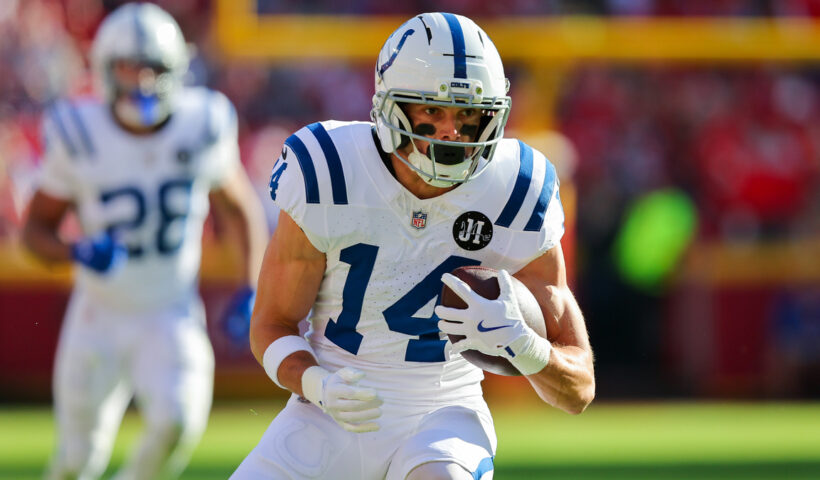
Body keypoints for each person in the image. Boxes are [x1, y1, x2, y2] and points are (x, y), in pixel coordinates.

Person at [232, 12, 595, 480]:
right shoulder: (329, 169)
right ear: (391, 109)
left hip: (441, 416)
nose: (450, 134)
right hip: (328, 411)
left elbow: (578, 386)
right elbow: (271, 324)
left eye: (468, 115)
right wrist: (316, 383)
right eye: (432, 111)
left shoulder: (517, 188)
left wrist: (523, 346)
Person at [21, 3, 268, 480]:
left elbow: (238, 209)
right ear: (104, 71)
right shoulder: (78, 131)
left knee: (177, 423)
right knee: (77, 460)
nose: (143, 81)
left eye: (154, 68)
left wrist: (249, 285)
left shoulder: (203, 121)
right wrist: (76, 251)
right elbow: (34, 231)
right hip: (98, 313)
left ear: (177, 70)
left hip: (169, 308)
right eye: (129, 67)